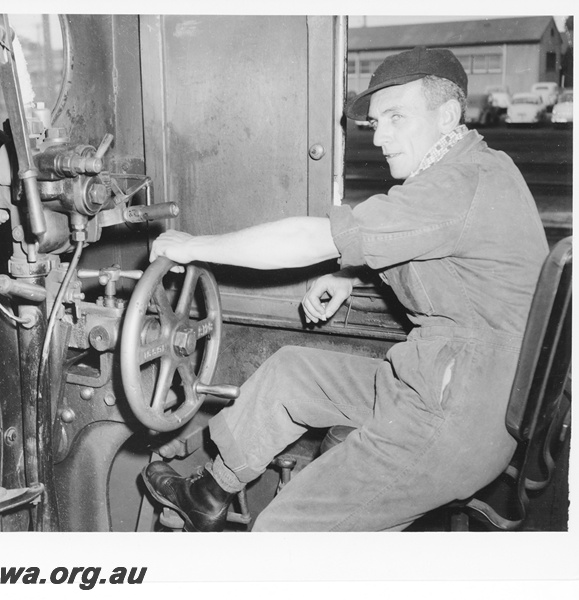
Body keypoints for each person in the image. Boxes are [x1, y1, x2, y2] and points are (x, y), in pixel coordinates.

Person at [141, 46, 549, 531]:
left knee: (279, 537)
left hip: (453, 419)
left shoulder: (454, 185)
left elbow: (309, 238)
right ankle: (209, 493)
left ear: (449, 114)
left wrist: (194, 245)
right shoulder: (478, 166)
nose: (383, 138)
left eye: (398, 117)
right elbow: (447, 260)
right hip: (447, 384)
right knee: (293, 373)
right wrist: (348, 275)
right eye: (377, 124)